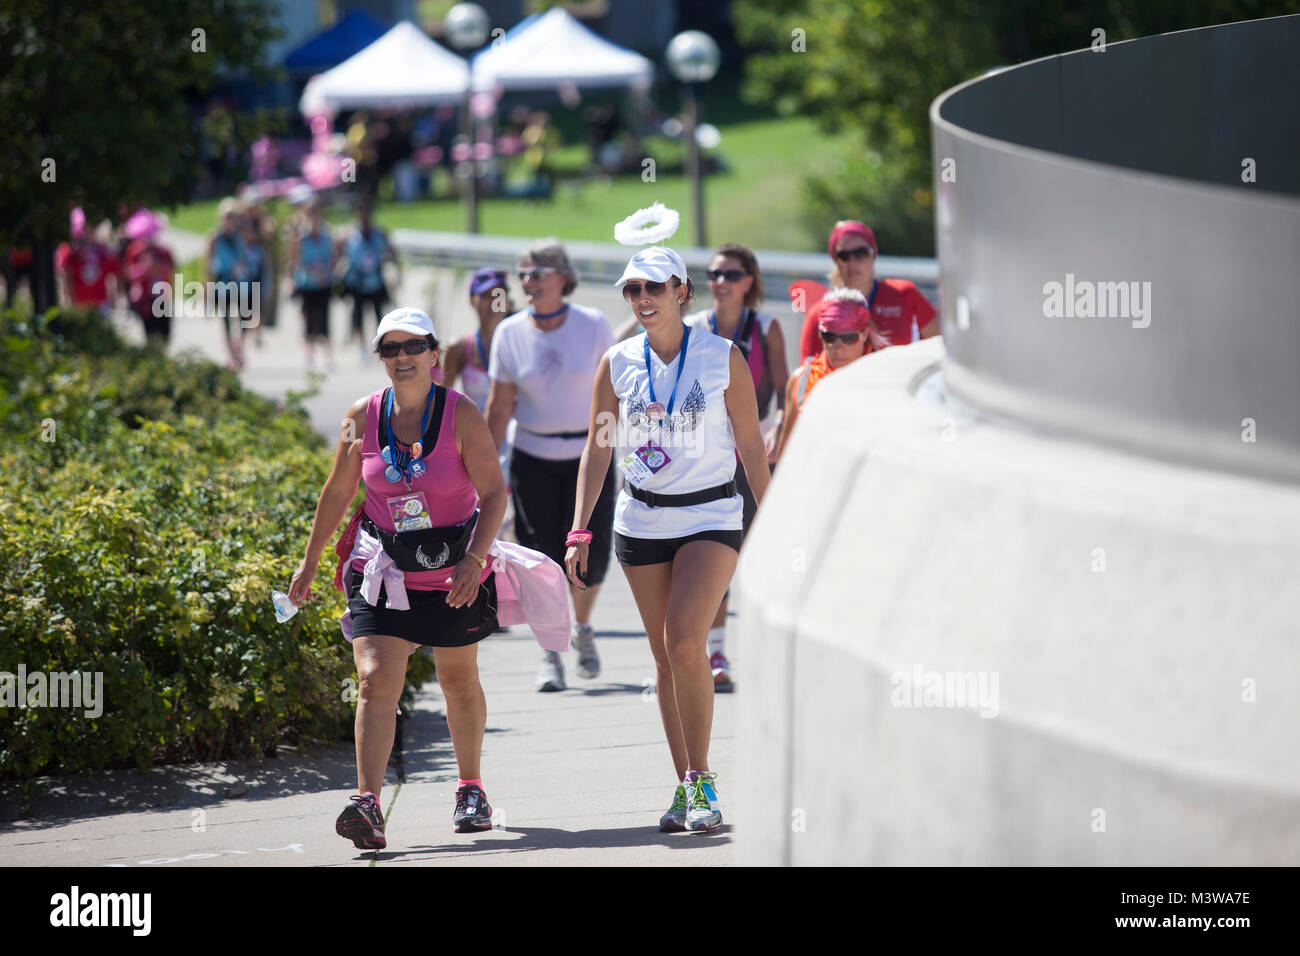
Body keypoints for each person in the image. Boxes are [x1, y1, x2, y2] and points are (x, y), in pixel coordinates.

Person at [287, 307, 509, 847]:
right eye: (391, 349)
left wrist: (475, 561)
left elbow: (494, 493)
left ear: (436, 355)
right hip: (384, 570)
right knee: (373, 679)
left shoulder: (462, 415)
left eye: (414, 347)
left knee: (458, 680)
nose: (403, 357)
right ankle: (368, 803)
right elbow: (339, 490)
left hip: (453, 570)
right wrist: (311, 559)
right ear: (381, 358)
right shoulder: (360, 416)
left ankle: (471, 787)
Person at [566, 245, 769, 832]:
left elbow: (751, 447)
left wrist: (777, 520)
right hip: (640, 521)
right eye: (633, 289)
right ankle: (684, 785)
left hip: (710, 518)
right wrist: (581, 528)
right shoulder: (617, 362)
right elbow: (598, 447)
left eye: (654, 287)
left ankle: (704, 780)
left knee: (685, 641)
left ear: (682, 291)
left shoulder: (722, 356)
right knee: (662, 657)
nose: (643, 298)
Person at [486, 239, 614, 692]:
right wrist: (479, 468)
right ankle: (549, 652)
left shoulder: (593, 325)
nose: (528, 282)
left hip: (589, 458)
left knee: (593, 559)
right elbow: (499, 408)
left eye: (537, 272)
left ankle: (581, 626)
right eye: (523, 273)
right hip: (533, 457)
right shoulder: (510, 332)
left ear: (562, 277)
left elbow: (612, 394)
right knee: (541, 558)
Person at [680, 243, 787, 691]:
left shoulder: (766, 329)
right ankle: (717, 650)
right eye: (714, 274)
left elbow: (785, 392)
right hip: (709, 459)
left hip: (755, 454)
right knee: (714, 556)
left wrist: (777, 429)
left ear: (750, 281)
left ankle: (772, 648)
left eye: (731, 274)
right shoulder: (691, 328)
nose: (720, 282)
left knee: (763, 553)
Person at [798, 220, 938, 361]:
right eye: (844, 256)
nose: (853, 263)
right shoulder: (820, 315)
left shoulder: (905, 294)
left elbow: (941, 346)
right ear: (835, 261)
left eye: (861, 254)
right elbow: (810, 375)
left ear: (873, 255)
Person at [777, 288, 885, 462]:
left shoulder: (881, 382)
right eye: (830, 337)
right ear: (820, 334)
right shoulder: (801, 379)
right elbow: (785, 455)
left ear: (864, 334)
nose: (838, 346)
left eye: (848, 337)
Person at [442, 268, 512, 415]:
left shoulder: (522, 345)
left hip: (517, 437)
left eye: (499, 295)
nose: (495, 302)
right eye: (487, 295)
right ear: (472, 300)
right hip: (473, 435)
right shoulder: (458, 348)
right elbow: (440, 403)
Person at [286, 197, 338, 370]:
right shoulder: (300, 236)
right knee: (307, 316)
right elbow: (294, 260)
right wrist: (292, 280)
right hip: (306, 282)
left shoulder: (327, 234)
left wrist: (327, 270)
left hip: (323, 281)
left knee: (324, 316)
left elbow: (333, 257)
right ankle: (308, 351)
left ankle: (327, 353)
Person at [341, 201, 398, 361]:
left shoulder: (379, 234)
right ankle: (361, 348)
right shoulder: (350, 236)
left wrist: (393, 271)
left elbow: (391, 253)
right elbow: (342, 257)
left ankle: (380, 346)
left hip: (376, 282)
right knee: (358, 317)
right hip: (358, 283)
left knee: (380, 316)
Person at [206, 199, 249, 369]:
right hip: (223, 282)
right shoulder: (215, 237)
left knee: (245, 319)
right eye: (228, 216)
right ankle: (232, 355)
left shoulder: (242, 235)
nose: (231, 219)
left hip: (241, 283)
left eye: (233, 216)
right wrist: (207, 285)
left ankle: (238, 347)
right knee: (226, 320)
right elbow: (208, 262)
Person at [122, 210, 176, 344]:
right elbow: (129, 274)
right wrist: (144, 268)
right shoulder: (134, 252)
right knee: (150, 333)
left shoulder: (163, 252)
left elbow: (171, 270)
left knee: (165, 333)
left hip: (161, 296)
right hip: (145, 299)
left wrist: (157, 267)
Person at [55, 207, 119, 313]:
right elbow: (66, 276)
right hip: (78, 305)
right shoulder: (70, 251)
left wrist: (113, 301)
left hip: (100, 304)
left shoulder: (103, 250)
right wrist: (67, 300)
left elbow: (112, 275)